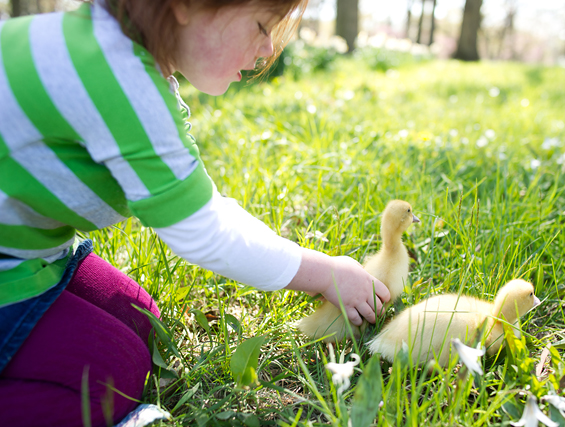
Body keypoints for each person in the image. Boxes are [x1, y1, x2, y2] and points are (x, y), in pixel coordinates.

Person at [0, 0, 390, 425]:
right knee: (112, 377)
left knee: (141, 319)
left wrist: (321, 266)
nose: (267, 51)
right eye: (261, 26)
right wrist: (325, 273)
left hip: (30, 251)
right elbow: (204, 232)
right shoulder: (114, 75)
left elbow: (206, 207)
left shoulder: (123, 59)